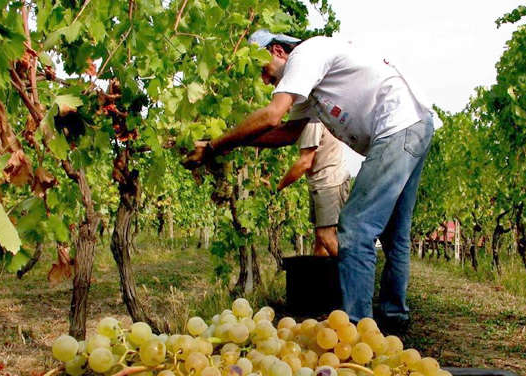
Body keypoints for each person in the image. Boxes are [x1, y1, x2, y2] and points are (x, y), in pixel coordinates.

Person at [185, 30, 434, 328]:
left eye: (263, 70)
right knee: (394, 235)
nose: (265, 81)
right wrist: (233, 142)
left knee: (355, 226)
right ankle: (393, 317)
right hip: (413, 124)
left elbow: (272, 116)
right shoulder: (313, 86)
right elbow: (287, 134)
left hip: (398, 125)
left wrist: (215, 147)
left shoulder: (304, 55)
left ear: (277, 51)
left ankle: (355, 326)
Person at [275, 122, 350, 257]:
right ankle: (320, 278)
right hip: (321, 182)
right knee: (320, 242)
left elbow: (304, 162)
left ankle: (354, 276)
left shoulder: (312, 121)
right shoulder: (314, 114)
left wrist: (277, 187)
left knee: (326, 236)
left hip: (329, 183)